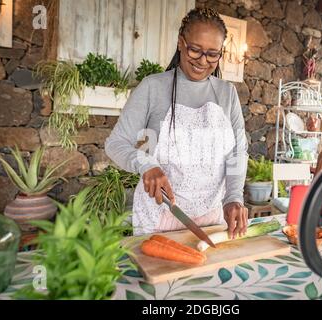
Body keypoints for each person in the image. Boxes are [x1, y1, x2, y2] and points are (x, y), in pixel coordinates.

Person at [105, 8, 249, 238]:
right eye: (195, 50)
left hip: (212, 218)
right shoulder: (152, 87)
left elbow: (237, 153)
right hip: (161, 217)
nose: (203, 61)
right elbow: (116, 143)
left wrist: (233, 196)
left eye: (213, 54)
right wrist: (145, 164)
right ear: (181, 43)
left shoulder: (227, 93)